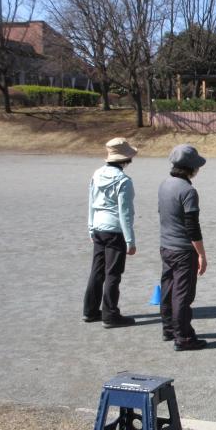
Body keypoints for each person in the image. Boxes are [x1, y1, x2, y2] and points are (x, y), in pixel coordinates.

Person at [83, 137, 138, 328]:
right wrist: (130, 240)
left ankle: (90, 310)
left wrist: (91, 227)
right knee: (113, 273)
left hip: (98, 227)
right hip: (115, 231)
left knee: (97, 270)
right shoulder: (124, 181)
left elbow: (91, 202)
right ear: (126, 159)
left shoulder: (96, 174)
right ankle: (110, 314)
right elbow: (125, 212)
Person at [158, 144, 208, 351]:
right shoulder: (188, 191)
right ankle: (184, 337)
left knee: (168, 289)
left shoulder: (165, 184)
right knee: (183, 294)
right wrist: (201, 254)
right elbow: (192, 227)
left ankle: (168, 328)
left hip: (166, 246)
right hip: (182, 250)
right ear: (191, 168)